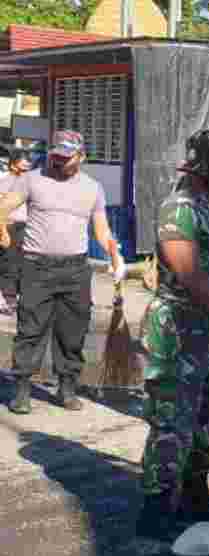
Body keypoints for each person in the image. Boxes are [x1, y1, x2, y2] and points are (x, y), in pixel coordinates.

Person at [137, 128, 209, 540]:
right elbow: (188, 272)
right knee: (173, 421)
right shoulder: (178, 207)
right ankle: (156, 508)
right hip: (179, 329)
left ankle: (194, 496)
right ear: (203, 163)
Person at [0, 130, 120, 415]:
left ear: (81, 157)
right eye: (56, 156)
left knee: (72, 332)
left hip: (75, 269)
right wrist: (2, 230)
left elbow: (102, 230)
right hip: (36, 267)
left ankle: (67, 388)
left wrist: (115, 254)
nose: (59, 162)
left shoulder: (92, 188)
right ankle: (22, 389)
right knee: (31, 329)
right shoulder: (32, 180)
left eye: (66, 158)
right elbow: (3, 206)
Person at [0, 149, 33, 313]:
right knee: (9, 264)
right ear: (13, 165)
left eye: (28, 167)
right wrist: (3, 230)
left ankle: (16, 296)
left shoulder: (28, 183)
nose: (26, 171)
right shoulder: (6, 181)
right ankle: (8, 298)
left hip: (25, 227)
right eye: (22, 167)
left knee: (23, 264)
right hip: (9, 226)